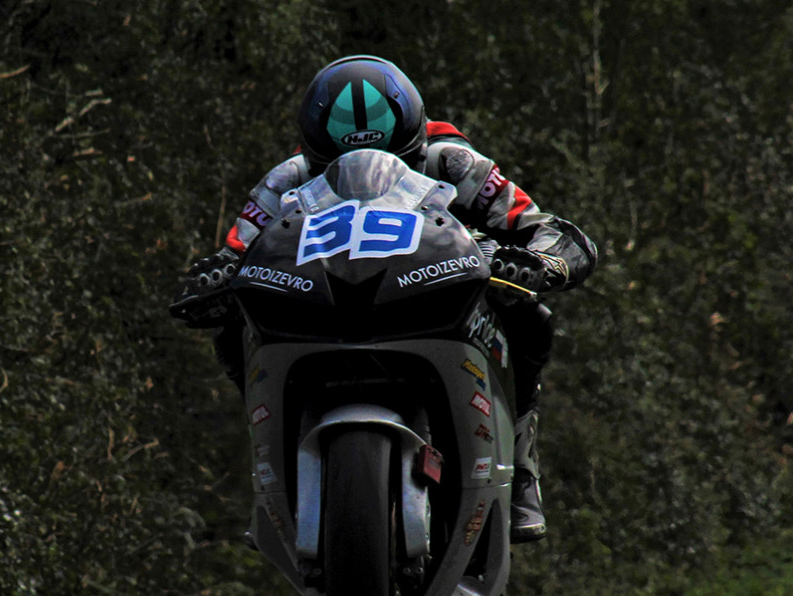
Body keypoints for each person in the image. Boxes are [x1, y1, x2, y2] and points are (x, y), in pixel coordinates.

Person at [171, 55, 598, 543]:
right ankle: (271, 472)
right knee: (234, 324)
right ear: (314, 147)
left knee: (531, 318)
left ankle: (521, 474)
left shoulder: (452, 161)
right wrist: (216, 278)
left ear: (413, 135)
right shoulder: (287, 180)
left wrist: (542, 261)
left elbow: (540, 226)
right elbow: (238, 249)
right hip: (323, 304)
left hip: (432, 292)